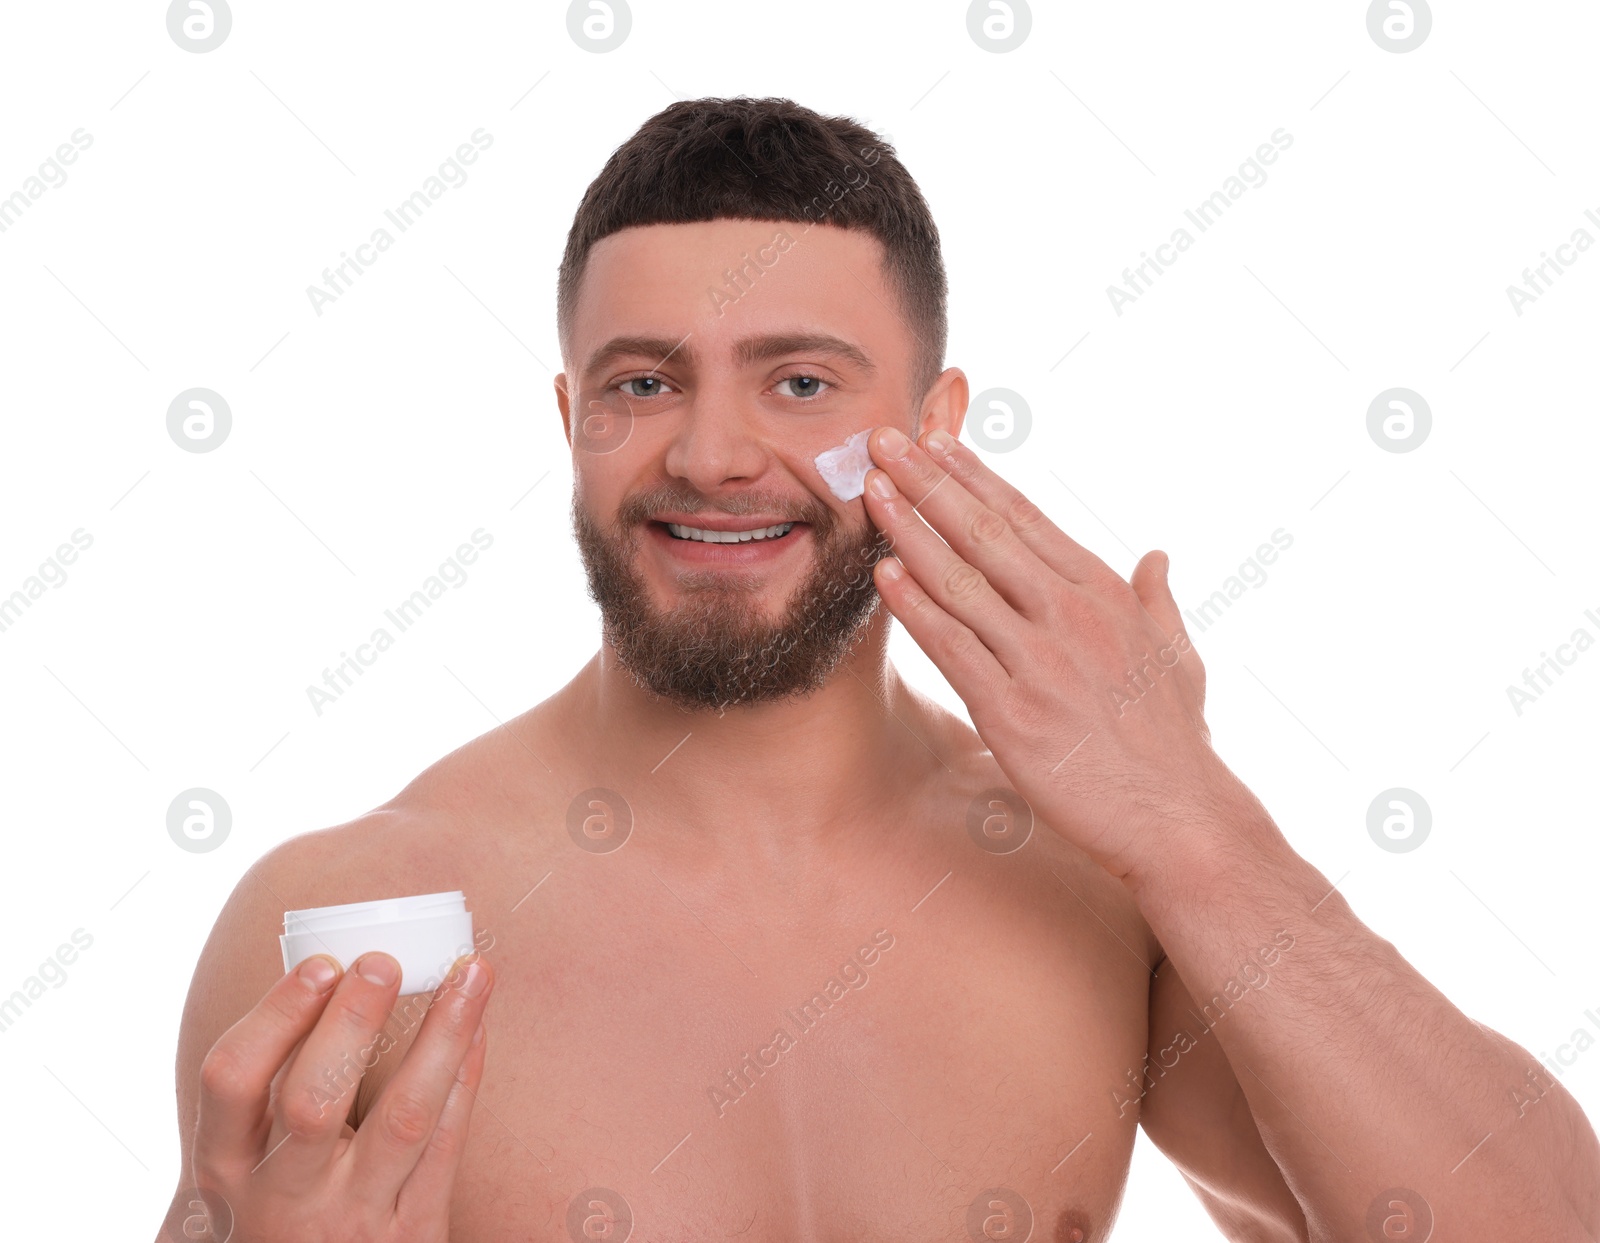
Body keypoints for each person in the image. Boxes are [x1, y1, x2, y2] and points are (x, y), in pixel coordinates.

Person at [162, 97, 1600, 1242]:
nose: (714, 454)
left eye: (801, 383)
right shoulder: (358, 928)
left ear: (935, 419)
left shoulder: (1099, 887)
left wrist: (1197, 826)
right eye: (644, 382)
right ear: (573, 419)